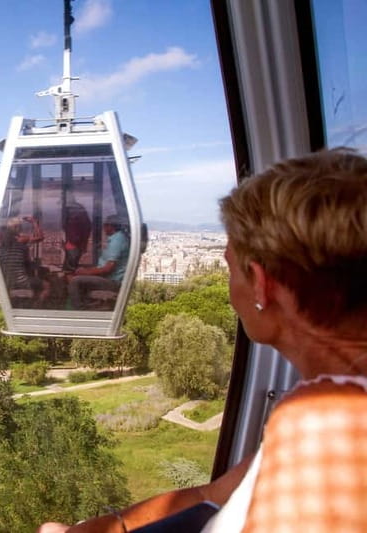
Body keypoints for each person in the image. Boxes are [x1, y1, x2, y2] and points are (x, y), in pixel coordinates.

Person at [40, 148, 367, 532]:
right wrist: (105, 527)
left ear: (262, 285)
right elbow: (215, 494)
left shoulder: (330, 422)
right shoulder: (326, 410)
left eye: (231, 268)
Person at [67, 214, 129, 309]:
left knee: (75, 281)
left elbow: (108, 269)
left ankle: (79, 311)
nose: (104, 228)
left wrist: (86, 272)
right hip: (108, 278)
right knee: (70, 276)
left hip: (112, 282)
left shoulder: (118, 240)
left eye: (105, 225)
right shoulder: (115, 239)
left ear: (111, 226)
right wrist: (86, 271)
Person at [0, 215, 49, 305]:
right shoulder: (21, 240)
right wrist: (34, 222)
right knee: (46, 286)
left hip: (9, 282)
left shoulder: (2, 244)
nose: (21, 229)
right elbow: (40, 237)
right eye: (20, 227)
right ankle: (38, 305)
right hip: (22, 281)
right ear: (17, 228)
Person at [62, 194, 91, 273]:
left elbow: (85, 228)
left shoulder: (74, 211)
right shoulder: (77, 210)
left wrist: (71, 243)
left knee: (70, 269)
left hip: (74, 244)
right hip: (74, 243)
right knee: (70, 268)